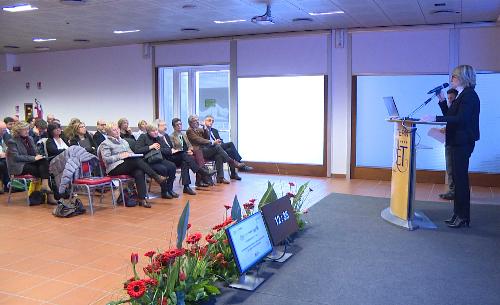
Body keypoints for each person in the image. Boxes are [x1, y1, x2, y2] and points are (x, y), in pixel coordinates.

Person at [422, 65, 480, 228]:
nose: (451, 80)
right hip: (456, 141)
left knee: (461, 180)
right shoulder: (461, 95)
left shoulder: (469, 96)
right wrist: (441, 100)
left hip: (462, 142)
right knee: (456, 178)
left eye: (454, 77)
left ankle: (463, 216)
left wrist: (435, 117)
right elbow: (450, 116)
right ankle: (457, 214)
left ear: (462, 77)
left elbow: (461, 119)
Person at [100, 122, 167, 208]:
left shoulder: (123, 141)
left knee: (139, 171)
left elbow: (130, 152)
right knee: (136, 162)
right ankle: (156, 177)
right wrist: (120, 156)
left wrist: (130, 154)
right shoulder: (105, 143)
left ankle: (142, 199)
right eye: (114, 130)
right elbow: (106, 159)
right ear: (109, 132)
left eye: (117, 129)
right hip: (114, 167)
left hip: (127, 164)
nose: (117, 131)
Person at [157, 119, 215, 194]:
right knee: (188, 156)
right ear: (174, 127)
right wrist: (184, 151)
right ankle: (202, 171)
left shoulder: (183, 135)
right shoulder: (171, 136)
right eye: (177, 125)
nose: (179, 126)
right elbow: (173, 148)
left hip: (185, 155)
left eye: (180, 124)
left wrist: (190, 150)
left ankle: (186, 186)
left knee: (186, 161)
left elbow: (189, 145)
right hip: (175, 156)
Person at [186, 115, 245, 184]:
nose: (197, 122)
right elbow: (199, 140)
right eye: (195, 121)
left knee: (218, 155)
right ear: (190, 122)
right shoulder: (189, 131)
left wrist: (205, 128)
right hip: (199, 151)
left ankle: (220, 178)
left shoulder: (199, 129)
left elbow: (206, 137)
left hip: (205, 149)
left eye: (197, 120)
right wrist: (212, 142)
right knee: (217, 147)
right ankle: (232, 162)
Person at [203, 115, 253, 180]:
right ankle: (239, 163)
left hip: (218, 149)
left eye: (212, 121)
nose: (211, 122)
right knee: (230, 144)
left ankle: (232, 174)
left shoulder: (214, 130)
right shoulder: (202, 130)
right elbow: (204, 143)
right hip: (209, 149)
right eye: (209, 120)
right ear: (204, 121)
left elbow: (220, 140)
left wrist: (220, 142)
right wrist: (214, 142)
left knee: (229, 151)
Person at [5, 121, 51, 192]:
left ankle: (45, 186)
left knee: (44, 161)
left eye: (28, 129)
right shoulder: (12, 141)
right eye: (25, 129)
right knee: (45, 171)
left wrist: (38, 155)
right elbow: (16, 157)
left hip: (29, 162)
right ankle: (45, 191)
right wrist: (34, 158)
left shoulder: (30, 138)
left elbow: (35, 152)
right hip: (18, 166)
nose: (27, 131)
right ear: (18, 130)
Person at [135, 124, 177, 199]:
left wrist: (159, 148)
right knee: (163, 169)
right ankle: (164, 191)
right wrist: (150, 147)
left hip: (159, 159)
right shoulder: (143, 137)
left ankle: (170, 189)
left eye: (156, 130)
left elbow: (168, 149)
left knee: (172, 166)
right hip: (149, 161)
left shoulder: (158, 138)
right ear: (148, 132)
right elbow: (137, 150)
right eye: (153, 131)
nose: (156, 132)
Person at [438, 89, 458, 200]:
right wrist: (442, 100)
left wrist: (442, 100)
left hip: (454, 142)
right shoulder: (453, 108)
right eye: (448, 98)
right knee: (450, 168)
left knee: (451, 168)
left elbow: (449, 117)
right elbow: (449, 117)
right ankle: (452, 191)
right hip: (450, 140)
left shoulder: (457, 107)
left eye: (451, 98)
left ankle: (453, 192)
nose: (450, 101)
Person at [0, 122, 9, 193]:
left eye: (5, 130)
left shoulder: (4, 137)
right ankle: (7, 184)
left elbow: (6, 149)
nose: (5, 132)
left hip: (3, 158)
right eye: (3, 130)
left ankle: (8, 185)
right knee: (3, 164)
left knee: (6, 162)